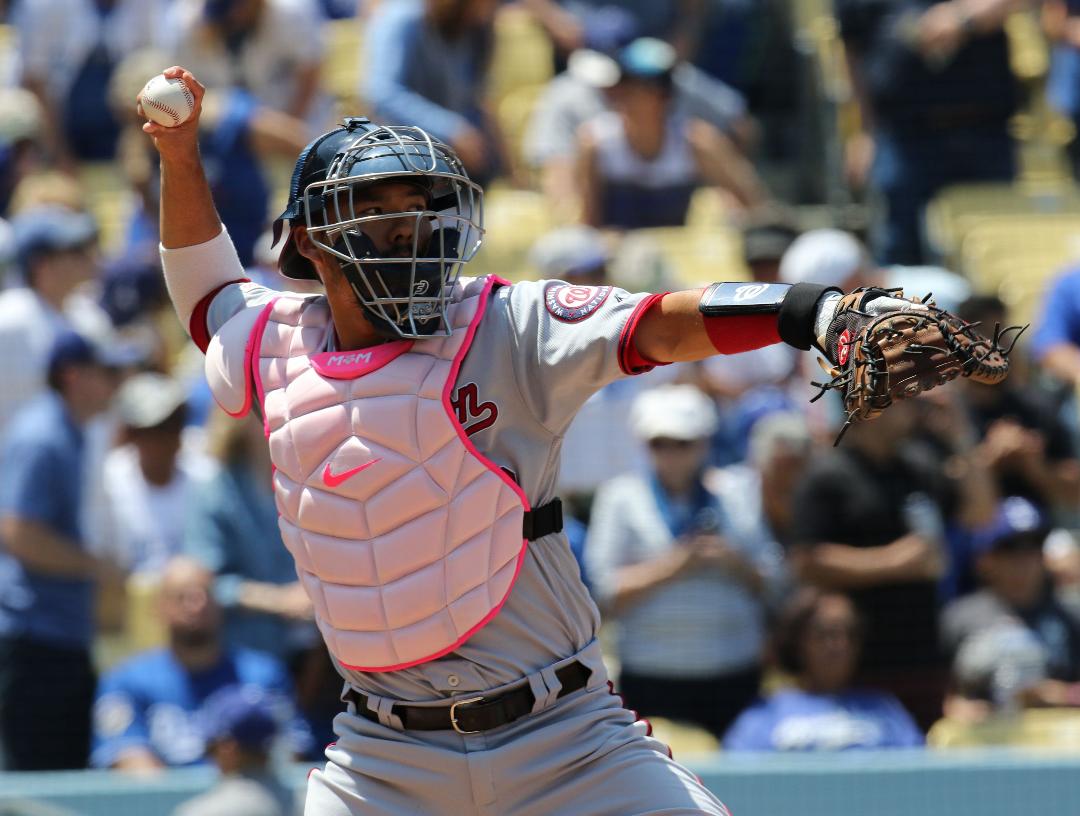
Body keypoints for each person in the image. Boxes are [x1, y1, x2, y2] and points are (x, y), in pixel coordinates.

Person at [142, 65, 933, 814]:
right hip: (382, 760)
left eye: (423, 211)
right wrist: (180, 158)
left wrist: (806, 311)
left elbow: (655, 325)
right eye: (381, 214)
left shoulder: (502, 323)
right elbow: (206, 288)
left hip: (565, 738)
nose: (411, 234)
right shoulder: (270, 343)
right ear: (310, 240)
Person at [585, 386, 788, 738]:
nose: (672, 454)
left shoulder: (737, 492)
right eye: (659, 443)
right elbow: (603, 591)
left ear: (705, 443)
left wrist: (731, 561)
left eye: (683, 443)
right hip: (652, 673)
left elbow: (773, 581)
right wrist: (676, 565)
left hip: (734, 670)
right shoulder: (620, 497)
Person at [0, 331, 120, 770]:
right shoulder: (43, 436)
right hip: (35, 639)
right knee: (39, 781)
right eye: (103, 373)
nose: (113, 383)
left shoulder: (64, 431)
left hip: (53, 636)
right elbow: (17, 533)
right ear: (73, 376)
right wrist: (97, 567)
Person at [837, 0, 1027, 264]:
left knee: (994, 250)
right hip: (903, 134)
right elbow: (852, 50)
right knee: (900, 254)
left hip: (982, 130)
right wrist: (862, 131)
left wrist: (962, 18)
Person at [90, 556, 311, 770]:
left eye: (205, 594)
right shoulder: (126, 680)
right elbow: (127, 759)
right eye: (182, 597)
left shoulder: (262, 674)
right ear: (159, 607)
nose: (196, 605)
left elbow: (290, 752)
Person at [577, 37, 765, 228]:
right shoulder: (595, 143)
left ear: (663, 95)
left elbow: (755, 203)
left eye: (635, 87)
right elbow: (588, 224)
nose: (623, 95)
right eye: (622, 85)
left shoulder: (697, 142)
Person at [186, 409, 316, 664]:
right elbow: (206, 583)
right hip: (247, 656)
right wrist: (279, 601)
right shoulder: (215, 493)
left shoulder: (315, 482)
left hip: (324, 650)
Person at [723, 589, 924, 751]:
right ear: (799, 642)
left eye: (851, 634)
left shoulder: (885, 707)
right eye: (828, 633)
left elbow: (918, 776)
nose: (841, 644)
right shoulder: (766, 713)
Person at [941, 497, 1080, 707]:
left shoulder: (1071, 615)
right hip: (990, 735)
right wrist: (958, 707)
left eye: (1033, 547)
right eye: (1009, 549)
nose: (1023, 561)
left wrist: (1065, 695)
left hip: (1061, 733)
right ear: (984, 560)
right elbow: (944, 695)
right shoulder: (959, 616)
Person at [363, 0, 508, 185]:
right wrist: (450, 130)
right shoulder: (403, 19)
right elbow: (383, 93)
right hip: (403, 153)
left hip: (459, 160)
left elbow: (473, 97)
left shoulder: (475, 31)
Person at [13, 0, 169, 164]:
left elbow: (151, 68)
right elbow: (34, 81)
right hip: (59, 128)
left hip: (121, 133)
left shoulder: (146, 5)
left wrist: (137, 152)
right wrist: (59, 153)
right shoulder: (44, 5)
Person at [99, 372, 215, 576]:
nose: (170, 436)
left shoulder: (204, 478)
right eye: (158, 428)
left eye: (176, 424)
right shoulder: (109, 481)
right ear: (134, 434)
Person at [0, 206, 105, 430]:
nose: (86, 258)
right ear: (42, 265)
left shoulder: (86, 316)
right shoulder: (10, 319)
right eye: (74, 251)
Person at [166, 0, 327, 128]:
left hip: (294, 118)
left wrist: (290, 129)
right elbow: (181, 87)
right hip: (224, 126)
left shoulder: (291, 11)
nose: (234, 15)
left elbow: (311, 72)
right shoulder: (185, 21)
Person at [172, 684, 299, 816]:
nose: (211, 759)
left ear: (227, 748)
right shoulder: (310, 805)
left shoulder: (201, 812)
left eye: (211, 748)